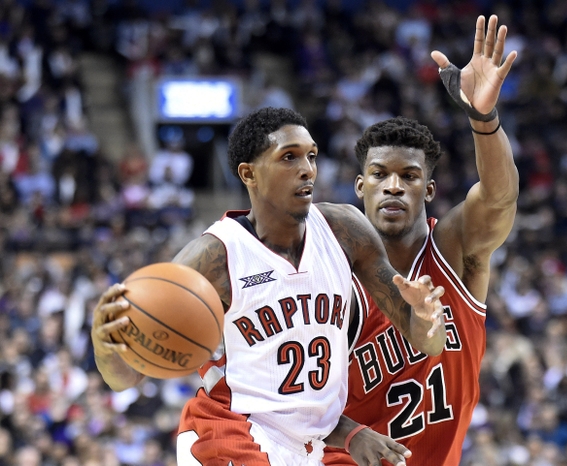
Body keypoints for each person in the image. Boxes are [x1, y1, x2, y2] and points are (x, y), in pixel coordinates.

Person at [91, 106, 449, 466]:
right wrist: (106, 345)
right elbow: (126, 376)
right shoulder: (213, 257)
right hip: (227, 431)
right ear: (249, 174)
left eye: (311, 156)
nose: (307, 169)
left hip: (311, 443)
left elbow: (428, 343)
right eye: (289, 157)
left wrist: (427, 318)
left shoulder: (346, 231)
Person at [323, 14, 519, 466]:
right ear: (360, 187)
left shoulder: (455, 250)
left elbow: (499, 197)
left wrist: (483, 119)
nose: (393, 186)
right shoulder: (329, 273)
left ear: (428, 190)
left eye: (409, 176)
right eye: (379, 175)